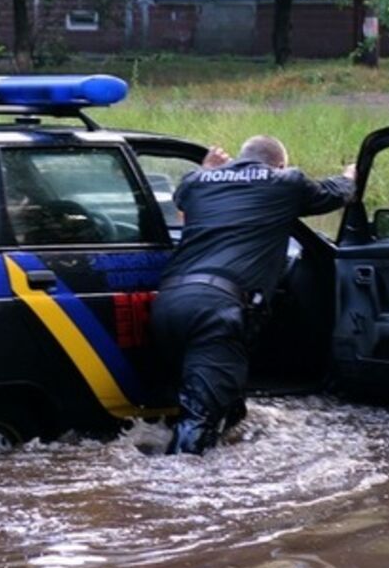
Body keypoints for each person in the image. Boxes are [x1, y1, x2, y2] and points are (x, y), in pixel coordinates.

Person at [151, 134, 356, 455]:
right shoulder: (285, 182)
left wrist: (208, 169)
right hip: (216, 314)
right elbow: (335, 194)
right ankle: (176, 482)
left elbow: (184, 197)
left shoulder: (195, 181)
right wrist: (350, 175)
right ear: (280, 165)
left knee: (226, 408)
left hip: (167, 305)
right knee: (198, 420)